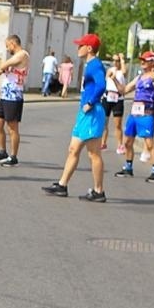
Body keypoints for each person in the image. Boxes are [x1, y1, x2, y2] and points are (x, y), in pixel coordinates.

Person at [42, 33, 110, 201]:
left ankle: (98, 191)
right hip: (85, 113)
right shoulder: (90, 64)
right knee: (73, 149)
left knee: (93, 153)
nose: (78, 48)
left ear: (89, 48)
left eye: (81, 46)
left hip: (92, 113)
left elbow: (102, 85)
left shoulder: (95, 65)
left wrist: (91, 102)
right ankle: (62, 185)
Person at [115, 52, 154, 184]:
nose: (142, 62)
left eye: (145, 60)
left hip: (146, 114)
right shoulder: (139, 77)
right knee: (127, 142)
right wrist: (114, 80)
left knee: (149, 144)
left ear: (152, 62)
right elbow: (124, 90)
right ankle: (128, 167)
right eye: (141, 60)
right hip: (134, 113)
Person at [0, 34, 29, 167]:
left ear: (13, 43)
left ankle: (13, 156)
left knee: (12, 127)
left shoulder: (22, 54)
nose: (7, 49)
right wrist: (1, 70)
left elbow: (7, 63)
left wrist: (0, 69)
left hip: (14, 96)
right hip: (5, 95)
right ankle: (2, 152)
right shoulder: (14, 57)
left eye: (7, 46)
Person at [104, 53, 128, 153]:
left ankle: (120, 145)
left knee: (118, 124)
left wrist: (122, 59)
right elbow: (106, 81)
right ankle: (103, 143)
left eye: (117, 60)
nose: (115, 62)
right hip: (107, 97)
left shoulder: (122, 71)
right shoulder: (110, 70)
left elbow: (124, 71)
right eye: (113, 60)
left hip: (118, 98)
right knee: (104, 122)